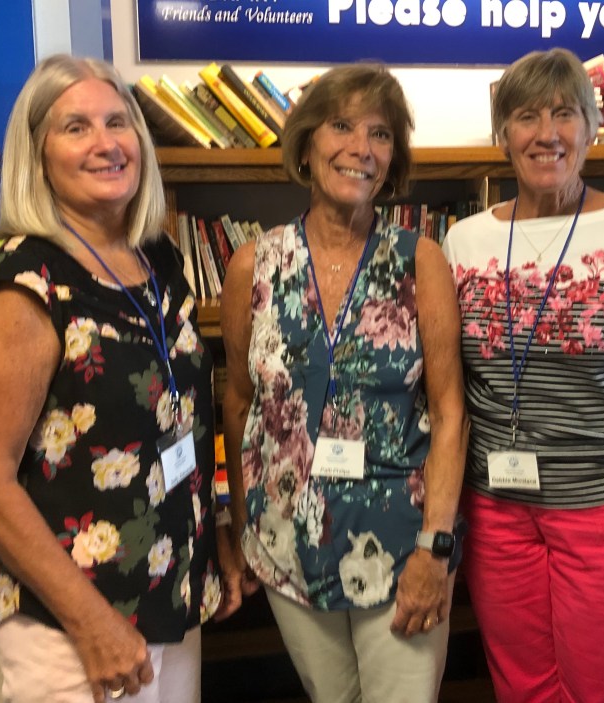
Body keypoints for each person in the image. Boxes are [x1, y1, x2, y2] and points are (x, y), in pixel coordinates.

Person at [0, 54, 239, 703]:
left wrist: (216, 531)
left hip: (172, 595)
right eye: (76, 127)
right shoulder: (28, 283)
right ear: (37, 154)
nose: (106, 143)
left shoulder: (157, 259)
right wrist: (90, 621)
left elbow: (182, 420)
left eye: (117, 122)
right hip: (77, 624)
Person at [441, 48, 604, 702]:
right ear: (504, 135)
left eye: (565, 113)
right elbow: (452, 391)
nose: (547, 133)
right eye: (527, 116)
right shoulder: (463, 242)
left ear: (592, 128)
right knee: (521, 686)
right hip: (497, 513)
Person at [220, 63, 469, 702]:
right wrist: (246, 524)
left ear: (393, 159)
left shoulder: (420, 261)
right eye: (341, 126)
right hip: (285, 544)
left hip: (400, 545)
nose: (361, 148)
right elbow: (240, 401)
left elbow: (450, 412)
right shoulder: (253, 265)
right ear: (306, 145)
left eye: (380, 134)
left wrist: (435, 549)